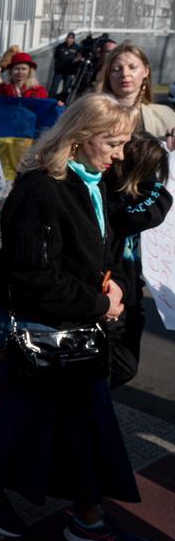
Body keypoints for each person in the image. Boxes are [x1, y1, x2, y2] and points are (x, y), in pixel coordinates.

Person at [0, 93, 154, 541]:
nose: (120, 154)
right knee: (4, 420)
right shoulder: (40, 188)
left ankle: (86, 516)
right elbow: (32, 274)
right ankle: (54, 509)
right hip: (34, 329)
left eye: (124, 143)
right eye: (113, 143)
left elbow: (107, 236)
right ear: (79, 138)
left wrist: (109, 289)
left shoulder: (95, 179)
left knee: (67, 427)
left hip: (68, 328)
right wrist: (100, 304)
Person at [105, 132, 171, 388]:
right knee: (112, 367)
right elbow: (157, 206)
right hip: (111, 291)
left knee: (123, 366)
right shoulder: (111, 196)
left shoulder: (131, 192)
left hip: (130, 291)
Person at [98, 41, 175, 143]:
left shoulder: (166, 115)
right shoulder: (92, 115)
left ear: (146, 71)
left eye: (133, 67)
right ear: (108, 75)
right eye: (116, 69)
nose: (125, 74)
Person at [51, 32, 79, 97]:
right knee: (53, 88)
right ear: (66, 38)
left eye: (71, 38)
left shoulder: (77, 47)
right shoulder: (60, 46)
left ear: (74, 39)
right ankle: (50, 101)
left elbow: (78, 58)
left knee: (65, 90)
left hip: (69, 72)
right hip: (59, 71)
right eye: (68, 38)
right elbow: (56, 56)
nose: (69, 39)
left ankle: (62, 103)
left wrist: (76, 60)